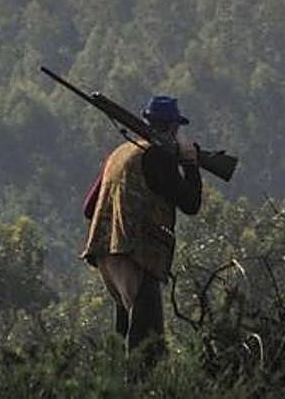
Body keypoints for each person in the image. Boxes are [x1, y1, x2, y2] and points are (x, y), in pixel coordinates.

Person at [81, 94, 202, 366]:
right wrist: (190, 164)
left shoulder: (120, 153)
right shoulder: (158, 157)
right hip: (137, 256)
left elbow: (89, 207)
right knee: (148, 349)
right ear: (172, 128)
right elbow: (191, 204)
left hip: (106, 255)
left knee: (125, 340)